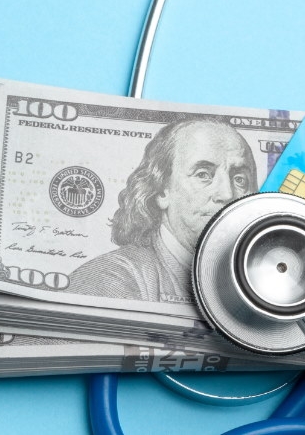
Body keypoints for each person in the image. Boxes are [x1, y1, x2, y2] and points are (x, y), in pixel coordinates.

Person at [67, 117, 257, 303]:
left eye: (240, 179)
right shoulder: (110, 277)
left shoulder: (254, 277)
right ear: (161, 191)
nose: (226, 194)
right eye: (203, 175)